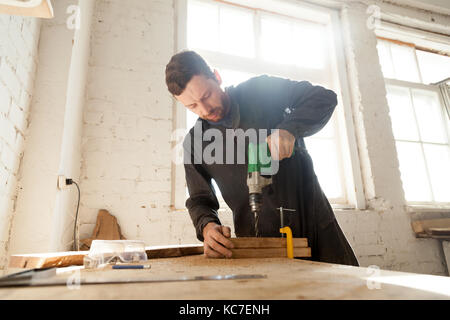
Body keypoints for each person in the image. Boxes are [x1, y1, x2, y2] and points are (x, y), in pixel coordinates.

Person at [165, 50, 358, 266]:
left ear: (217, 77)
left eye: (206, 95)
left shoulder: (259, 91)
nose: (204, 109)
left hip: (317, 230)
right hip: (258, 244)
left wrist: (289, 129)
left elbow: (323, 98)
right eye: (192, 106)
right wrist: (207, 226)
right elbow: (200, 200)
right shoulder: (195, 143)